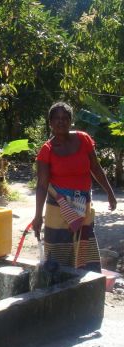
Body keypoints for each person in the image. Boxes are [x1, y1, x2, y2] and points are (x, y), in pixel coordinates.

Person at [32, 102, 117, 272]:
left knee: (84, 247)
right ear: (50, 123)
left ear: (71, 121)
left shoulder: (84, 139)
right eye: (56, 118)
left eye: (65, 118)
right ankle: (55, 288)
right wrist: (38, 216)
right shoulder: (46, 150)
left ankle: (83, 289)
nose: (61, 122)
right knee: (57, 250)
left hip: (82, 204)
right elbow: (42, 185)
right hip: (57, 207)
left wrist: (110, 192)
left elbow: (96, 167)